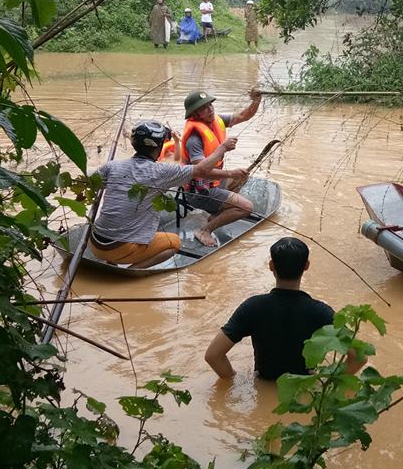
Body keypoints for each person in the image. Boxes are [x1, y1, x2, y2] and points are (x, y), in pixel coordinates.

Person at [204, 237, 366, 380]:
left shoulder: (252, 307)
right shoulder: (321, 312)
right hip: (304, 390)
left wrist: (232, 380)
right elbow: (359, 357)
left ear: (271, 266)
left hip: (263, 383)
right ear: (306, 266)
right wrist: (329, 384)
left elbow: (213, 356)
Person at [90, 121, 237, 268]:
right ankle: (133, 270)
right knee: (174, 243)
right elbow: (201, 170)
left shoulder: (112, 166)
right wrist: (223, 148)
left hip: (95, 244)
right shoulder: (162, 171)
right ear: (159, 147)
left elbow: (90, 183)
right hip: (121, 249)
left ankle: (112, 261)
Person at [177, 87, 262, 247]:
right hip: (200, 191)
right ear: (195, 114)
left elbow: (244, 116)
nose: (210, 109)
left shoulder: (216, 120)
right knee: (246, 208)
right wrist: (224, 151)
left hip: (215, 183)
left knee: (242, 177)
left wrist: (256, 100)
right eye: (204, 108)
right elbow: (202, 171)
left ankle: (216, 213)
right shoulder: (194, 139)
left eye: (210, 105)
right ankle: (205, 230)